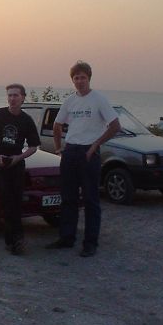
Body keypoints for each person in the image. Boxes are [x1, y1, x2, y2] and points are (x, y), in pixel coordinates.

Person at [46, 61, 120, 257]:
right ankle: (66, 237)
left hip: (89, 153)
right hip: (70, 151)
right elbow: (57, 125)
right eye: (76, 78)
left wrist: (95, 145)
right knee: (68, 198)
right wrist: (59, 149)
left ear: (89, 78)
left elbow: (115, 126)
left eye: (83, 78)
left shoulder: (99, 99)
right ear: (73, 80)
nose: (80, 81)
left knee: (90, 199)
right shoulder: (70, 101)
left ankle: (90, 242)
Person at [0, 83, 41, 255]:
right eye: (10, 95)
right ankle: (13, 240)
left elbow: (33, 146)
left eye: (16, 95)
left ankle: (16, 239)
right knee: (6, 200)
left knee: (17, 201)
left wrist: (18, 158)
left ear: (23, 98)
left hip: (16, 163)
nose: (12, 98)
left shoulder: (26, 120)